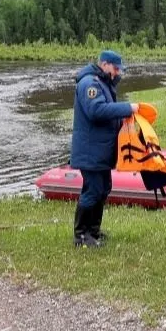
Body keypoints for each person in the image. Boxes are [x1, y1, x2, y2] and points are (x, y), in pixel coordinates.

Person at [70, 50, 139, 248]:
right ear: (105, 64)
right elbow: (96, 111)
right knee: (93, 191)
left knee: (103, 189)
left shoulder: (104, 84)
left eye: (119, 70)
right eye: (116, 68)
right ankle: (81, 235)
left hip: (100, 150)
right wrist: (128, 108)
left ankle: (93, 231)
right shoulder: (89, 84)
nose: (118, 73)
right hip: (90, 150)